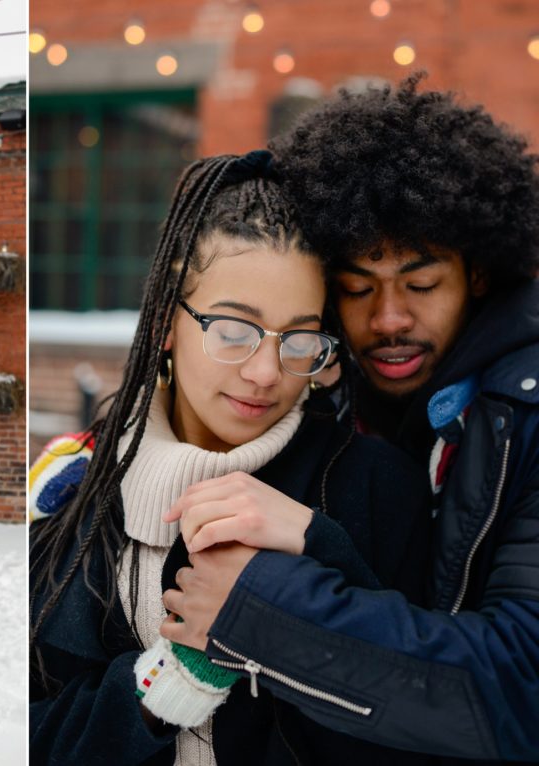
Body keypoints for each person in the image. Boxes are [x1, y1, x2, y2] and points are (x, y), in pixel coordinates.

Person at [161, 75, 539, 763]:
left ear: (478, 272)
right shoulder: (339, 397)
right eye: (357, 290)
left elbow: (523, 683)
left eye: (421, 285)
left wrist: (262, 609)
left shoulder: (526, 418)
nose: (389, 319)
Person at [29, 153, 438, 765]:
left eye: (300, 339)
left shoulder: (375, 488)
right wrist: (172, 682)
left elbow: (424, 720)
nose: (265, 372)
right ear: (169, 320)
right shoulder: (71, 485)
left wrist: (309, 576)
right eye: (233, 330)